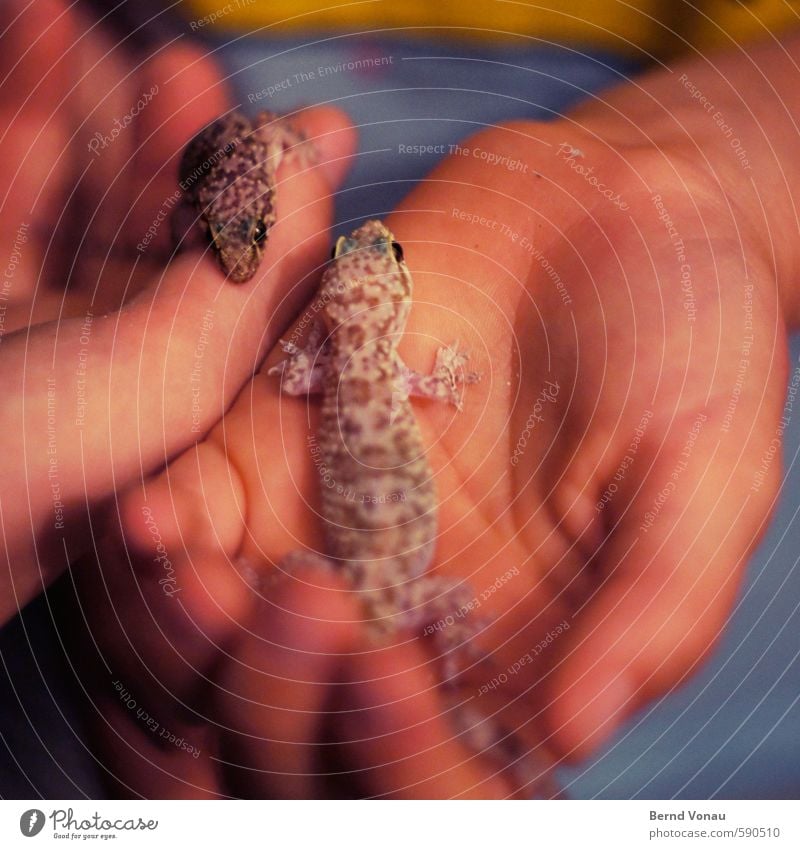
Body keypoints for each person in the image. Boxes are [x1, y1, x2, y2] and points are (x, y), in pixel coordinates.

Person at [1, 0, 797, 797]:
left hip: (693, 82)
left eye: (372, 254)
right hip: (222, 61)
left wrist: (722, 170)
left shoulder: (338, 371)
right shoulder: (380, 373)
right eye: (372, 255)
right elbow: (390, 383)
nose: (370, 241)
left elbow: (298, 376)